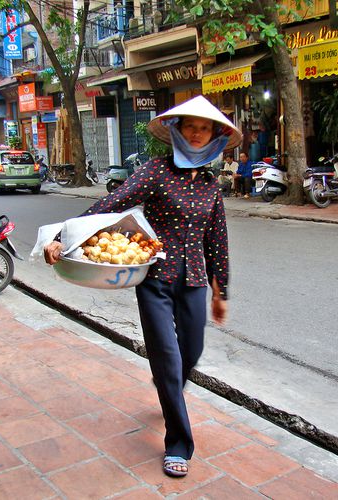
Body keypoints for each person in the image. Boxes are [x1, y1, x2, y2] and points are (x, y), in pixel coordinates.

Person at [44, 95, 242, 478]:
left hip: (195, 282)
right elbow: (112, 203)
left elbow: (217, 238)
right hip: (154, 280)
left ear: (215, 135)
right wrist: (60, 236)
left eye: (204, 128)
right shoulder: (156, 171)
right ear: (177, 131)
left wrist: (222, 291)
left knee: (191, 353)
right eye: (190, 126)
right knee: (167, 359)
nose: (197, 133)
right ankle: (178, 443)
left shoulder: (210, 185)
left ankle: (167, 385)